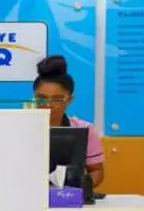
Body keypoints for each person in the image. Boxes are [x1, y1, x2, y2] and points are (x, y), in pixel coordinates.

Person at [33, 55, 105, 188]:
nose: (48, 104)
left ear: (69, 99)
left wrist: (82, 188)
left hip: (67, 195)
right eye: (41, 98)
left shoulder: (84, 129)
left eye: (57, 99)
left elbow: (96, 170)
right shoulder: (19, 127)